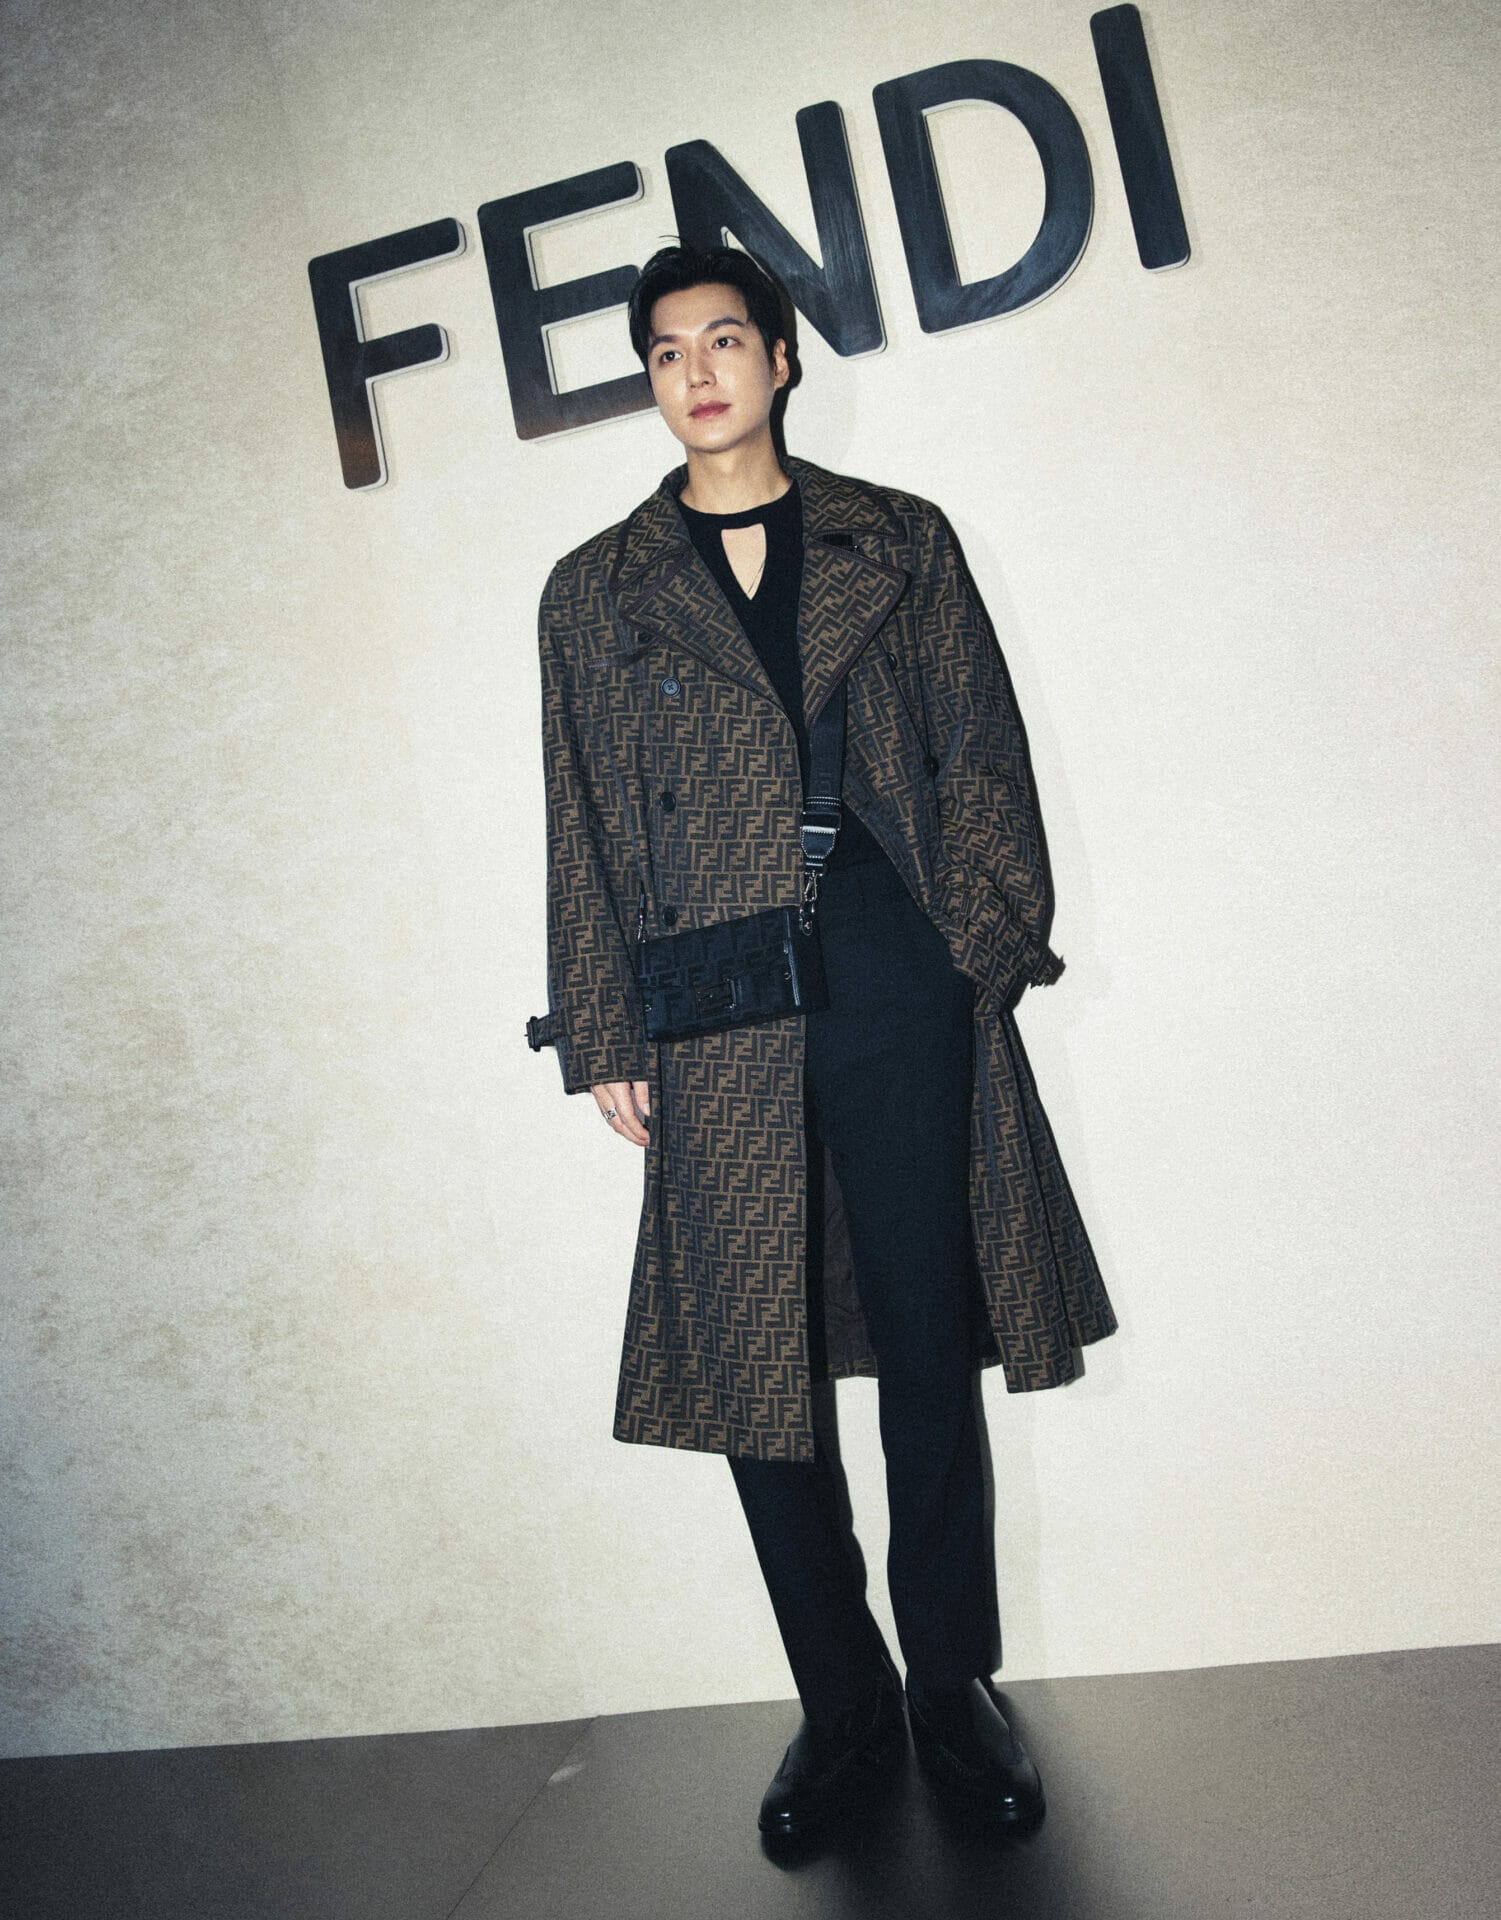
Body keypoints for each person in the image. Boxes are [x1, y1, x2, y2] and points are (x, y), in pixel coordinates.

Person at [526, 242, 1117, 1839]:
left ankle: (949, 1687)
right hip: (711, 997)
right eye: (667, 351)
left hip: (890, 969)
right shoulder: (593, 589)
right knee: (755, 1360)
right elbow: (580, 821)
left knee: (925, 1335)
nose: (697, 372)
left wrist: (972, 944)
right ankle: (840, 1702)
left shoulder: (895, 540)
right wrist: (604, 1026)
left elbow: (977, 752)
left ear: (780, 359)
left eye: (725, 340)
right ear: (650, 380)